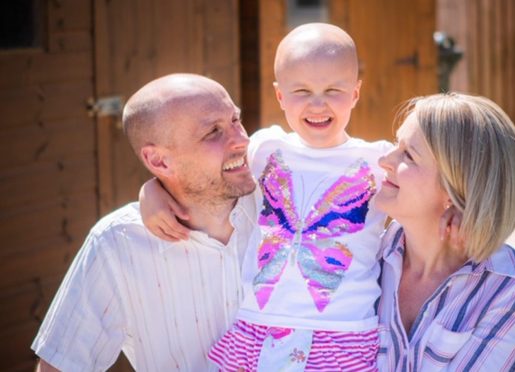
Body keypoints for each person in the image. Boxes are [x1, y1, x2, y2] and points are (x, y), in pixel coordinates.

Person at [140, 23, 460, 371]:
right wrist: (151, 190)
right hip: (260, 327)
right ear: (280, 96)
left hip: (342, 332)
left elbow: (427, 189)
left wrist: (458, 207)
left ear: (355, 93)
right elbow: (207, 174)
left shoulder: (376, 161)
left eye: (333, 90)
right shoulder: (266, 148)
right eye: (302, 90)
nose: (317, 103)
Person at [31, 74, 257, 371]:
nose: (242, 139)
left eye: (235, 120)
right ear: (160, 162)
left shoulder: (289, 202)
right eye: (213, 131)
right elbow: (60, 365)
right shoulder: (117, 243)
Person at [375, 93, 515, 371]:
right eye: (396, 144)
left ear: (456, 189)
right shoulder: (365, 255)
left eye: (408, 154)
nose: (384, 159)